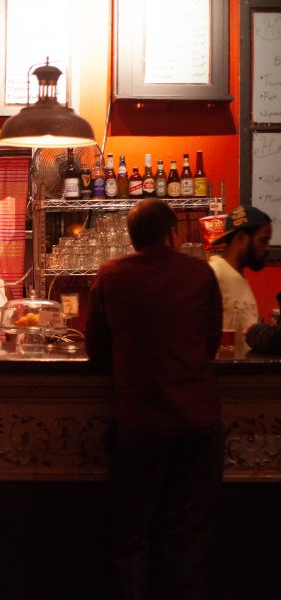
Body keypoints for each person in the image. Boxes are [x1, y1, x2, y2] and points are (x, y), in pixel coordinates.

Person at [85, 199, 223, 600]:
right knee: (188, 539)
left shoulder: (110, 276)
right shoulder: (200, 274)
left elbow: (96, 351)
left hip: (139, 423)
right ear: (173, 233)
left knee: (133, 536)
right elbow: (211, 343)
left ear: (131, 238)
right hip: (196, 422)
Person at [208, 205, 272, 338]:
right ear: (241, 238)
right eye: (263, 240)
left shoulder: (238, 277)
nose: (267, 248)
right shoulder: (215, 274)